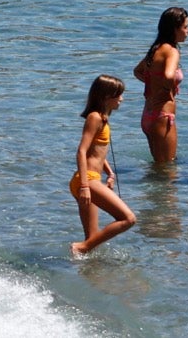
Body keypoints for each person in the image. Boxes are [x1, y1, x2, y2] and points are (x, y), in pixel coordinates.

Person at [69, 75, 136, 256]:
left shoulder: (103, 118)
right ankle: (79, 248)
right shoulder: (95, 117)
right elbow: (82, 151)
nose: (122, 99)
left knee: (92, 240)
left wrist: (110, 172)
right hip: (87, 181)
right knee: (128, 218)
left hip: (92, 179)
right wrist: (84, 186)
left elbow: (97, 150)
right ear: (107, 96)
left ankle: (88, 273)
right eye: (119, 95)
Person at [132, 6, 187, 164]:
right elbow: (169, 75)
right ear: (175, 29)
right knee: (168, 169)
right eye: (185, 27)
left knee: (157, 167)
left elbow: (137, 71)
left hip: (148, 115)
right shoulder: (172, 51)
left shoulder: (155, 49)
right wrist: (167, 87)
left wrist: (155, 83)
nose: (187, 31)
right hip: (163, 115)